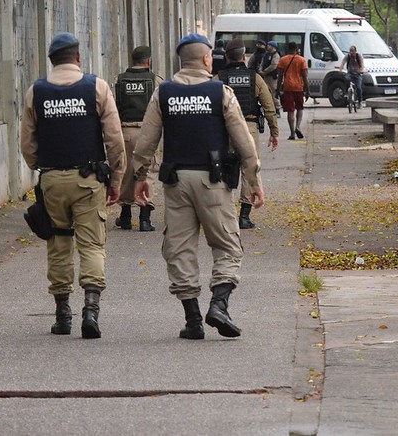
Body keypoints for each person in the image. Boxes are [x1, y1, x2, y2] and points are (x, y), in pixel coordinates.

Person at [132, 33, 264, 341]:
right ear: (207, 59)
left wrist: (143, 179)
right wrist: (254, 182)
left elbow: (145, 144)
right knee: (228, 245)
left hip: (176, 183)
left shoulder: (163, 93)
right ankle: (219, 304)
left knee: (179, 248)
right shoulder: (221, 93)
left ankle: (192, 319)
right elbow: (245, 144)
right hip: (214, 183)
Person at [21, 32, 126, 340]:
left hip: (52, 180)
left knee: (58, 242)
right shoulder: (96, 87)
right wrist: (116, 180)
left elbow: (27, 143)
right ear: (77, 58)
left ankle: (62, 314)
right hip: (88, 180)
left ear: (52, 60)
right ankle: (90, 311)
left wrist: (42, 166)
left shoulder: (36, 92)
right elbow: (115, 140)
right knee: (92, 244)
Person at [216, 37, 279, 229]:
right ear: (244, 56)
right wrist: (274, 132)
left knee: (223, 168)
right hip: (248, 127)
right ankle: (244, 215)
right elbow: (269, 107)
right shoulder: (255, 78)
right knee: (250, 168)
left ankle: (224, 214)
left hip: (224, 129)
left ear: (227, 57)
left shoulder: (218, 79)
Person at [113, 45, 159, 232]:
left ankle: (125, 217)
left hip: (124, 132)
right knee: (148, 171)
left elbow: (113, 108)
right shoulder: (155, 81)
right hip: (148, 134)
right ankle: (145, 219)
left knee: (126, 173)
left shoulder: (119, 81)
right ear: (148, 61)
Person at [277, 41, 310, 140]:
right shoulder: (301, 60)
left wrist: (278, 90)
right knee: (299, 108)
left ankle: (292, 133)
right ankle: (298, 127)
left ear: (288, 49)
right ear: (296, 49)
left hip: (287, 88)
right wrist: (308, 90)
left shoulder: (283, 60)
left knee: (290, 111)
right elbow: (305, 77)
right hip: (299, 88)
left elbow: (280, 77)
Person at [259, 40, 281, 116]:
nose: (267, 46)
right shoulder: (266, 54)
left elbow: (274, 65)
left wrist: (264, 71)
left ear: (273, 47)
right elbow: (262, 63)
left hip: (272, 77)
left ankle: (277, 109)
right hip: (265, 76)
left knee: (273, 93)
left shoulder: (276, 55)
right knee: (265, 93)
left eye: (269, 45)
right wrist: (260, 70)